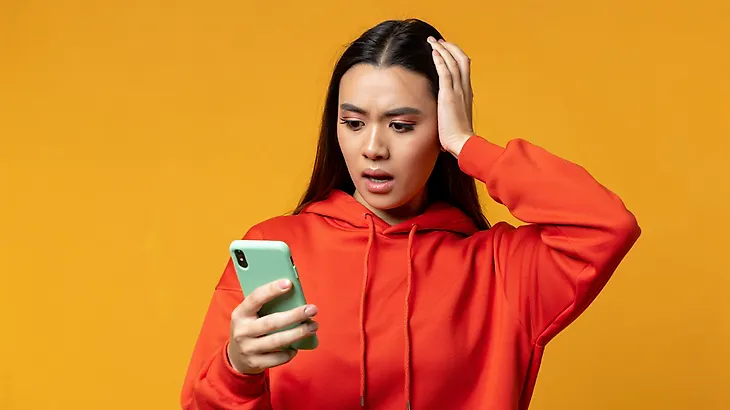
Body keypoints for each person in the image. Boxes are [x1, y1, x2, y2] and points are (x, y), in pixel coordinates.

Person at [180, 18, 640, 410]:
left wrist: (467, 145)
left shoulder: (501, 270)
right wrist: (237, 367)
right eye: (353, 123)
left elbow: (606, 224)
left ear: (439, 129)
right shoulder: (276, 246)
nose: (373, 148)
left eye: (401, 125)